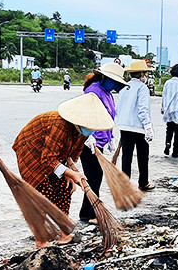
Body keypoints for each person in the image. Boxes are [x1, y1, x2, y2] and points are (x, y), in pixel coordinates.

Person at [13, 93, 114, 248]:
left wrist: (69, 173)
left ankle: (64, 234)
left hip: (53, 156)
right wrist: (71, 173)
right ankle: (40, 241)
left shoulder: (82, 131)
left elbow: (74, 153)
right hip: (32, 152)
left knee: (64, 189)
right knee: (41, 193)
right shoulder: (59, 125)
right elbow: (47, 159)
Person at [78, 63, 128, 223]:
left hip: (100, 142)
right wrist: (88, 136)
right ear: (106, 78)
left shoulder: (107, 93)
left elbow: (108, 117)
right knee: (94, 176)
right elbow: (84, 114)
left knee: (95, 176)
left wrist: (110, 137)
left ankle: (87, 211)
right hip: (88, 142)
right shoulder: (93, 91)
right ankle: (90, 214)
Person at [116, 59, 156, 191]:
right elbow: (142, 109)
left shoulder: (124, 87)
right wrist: (148, 126)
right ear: (142, 74)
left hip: (124, 125)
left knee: (126, 156)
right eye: (145, 73)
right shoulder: (142, 88)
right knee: (143, 156)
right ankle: (143, 182)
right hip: (138, 127)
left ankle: (125, 184)